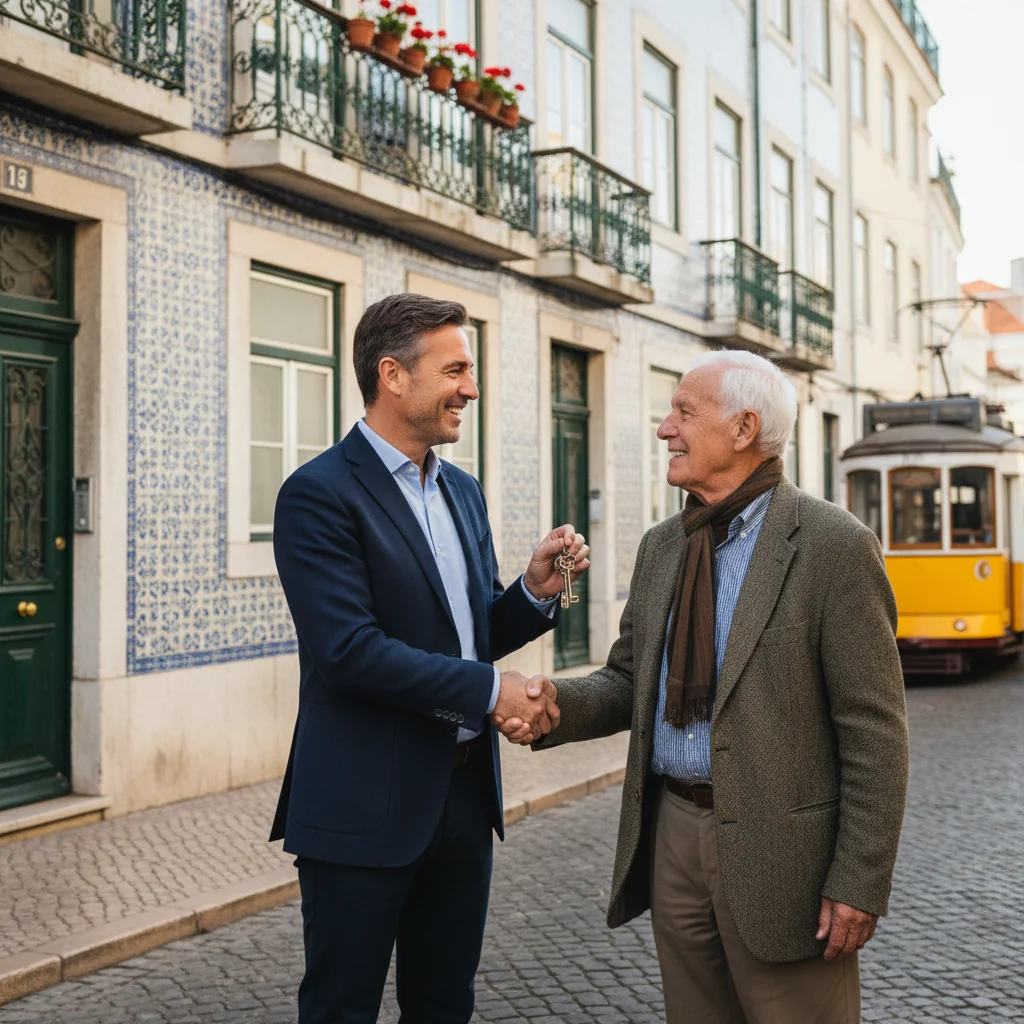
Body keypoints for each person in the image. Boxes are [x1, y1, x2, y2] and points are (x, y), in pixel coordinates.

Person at [497, 349, 909, 1023]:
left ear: (744, 428)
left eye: (684, 412)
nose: (665, 429)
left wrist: (858, 880)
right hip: (673, 833)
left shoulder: (834, 546)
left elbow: (875, 732)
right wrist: (551, 707)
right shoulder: (665, 545)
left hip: (787, 857)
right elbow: (631, 680)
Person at [271, 292, 589, 1024]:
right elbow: (350, 653)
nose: (470, 389)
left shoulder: (463, 491)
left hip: (463, 801)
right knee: (340, 1009)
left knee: (445, 1005)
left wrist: (533, 592)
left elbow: (466, 633)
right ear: (393, 375)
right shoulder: (316, 495)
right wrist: (490, 692)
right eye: (456, 370)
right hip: (361, 804)